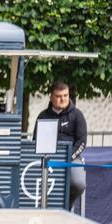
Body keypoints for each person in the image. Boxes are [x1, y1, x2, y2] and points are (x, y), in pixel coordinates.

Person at [33, 81, 87, 210]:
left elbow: (82, 141)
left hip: (72, 158)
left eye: (65, 95)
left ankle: (66, 207)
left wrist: (69, 156)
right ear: (51, 97)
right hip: (48, 158)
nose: (63, 99)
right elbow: (36, 139)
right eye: (58, 96)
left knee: (78, 184)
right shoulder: (43, 115)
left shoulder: (77, 115)